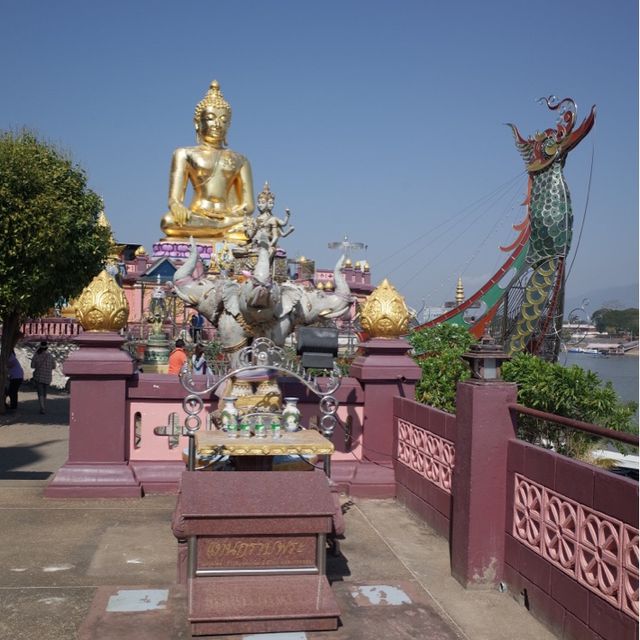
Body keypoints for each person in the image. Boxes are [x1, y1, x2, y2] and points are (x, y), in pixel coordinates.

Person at [160, 80, 255, 244]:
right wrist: (177, 207)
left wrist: (231, 216)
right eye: (211, 118)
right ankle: (219, 231)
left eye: (224, 120)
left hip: (229, 217)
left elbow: (248, 205)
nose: (217, 124)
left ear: (229, 125)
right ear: (197, 123)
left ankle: (220, 229)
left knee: (255, 226)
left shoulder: (240, 160)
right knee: (168, 222)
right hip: (197, 215)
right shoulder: (184, 154)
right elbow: (174, 199)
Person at [31, 341, 56, 414]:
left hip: (39, 376)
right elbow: (54, 366)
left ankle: (42, 407)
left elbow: (32, 366)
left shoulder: (36, 355)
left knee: (40, 393)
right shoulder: (50, 356)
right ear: (47, 348)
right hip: (48, 377)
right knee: (45, 393)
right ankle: (44, 406)